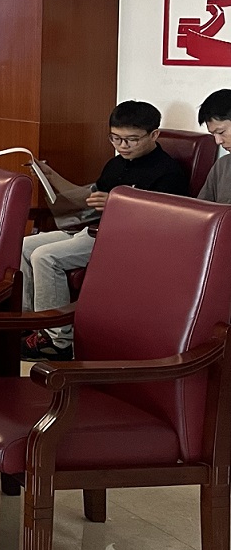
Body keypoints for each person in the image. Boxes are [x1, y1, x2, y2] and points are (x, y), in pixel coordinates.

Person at [20, 100, 190, 361]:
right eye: (115, 138)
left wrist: (117, 203)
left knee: (45, 257)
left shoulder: (168, 172)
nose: (122, 146)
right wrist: (49, 175)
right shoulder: (116, 164)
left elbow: (167, 221)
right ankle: (31, 324)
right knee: (24, 246)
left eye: (131, 139)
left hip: (125, 240)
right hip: (93, 229)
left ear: (154, 134)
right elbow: (86, 197)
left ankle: (58, 341)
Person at [199, 90, 231, 202]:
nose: (218, 141)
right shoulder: (222, 165)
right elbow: (203, 208)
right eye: (213, 134)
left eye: (221, 132)